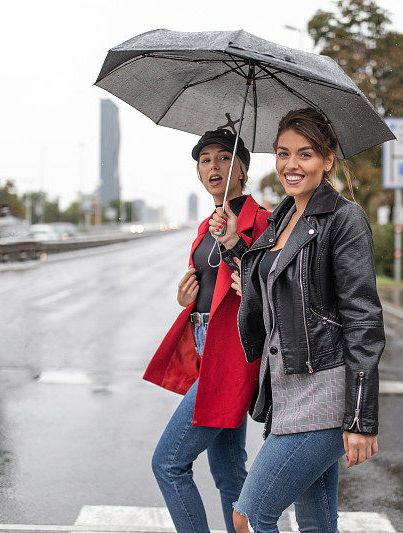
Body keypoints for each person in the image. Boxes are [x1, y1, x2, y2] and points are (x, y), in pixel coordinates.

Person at [211, 108, 385, 532]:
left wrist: (360, 420)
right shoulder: (282, 219)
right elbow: (265, 290)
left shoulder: (343, 219)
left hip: (325, 395)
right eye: (283, 153)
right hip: (285, 395)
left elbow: (363, 318)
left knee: (249, 515)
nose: (291, 164)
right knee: (316, 523)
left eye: (305, 154)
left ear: (327, 160)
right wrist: (234, 244)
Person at [143, 129, 270, 532]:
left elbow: (264, 283)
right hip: (205, 347)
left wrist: (238, 240)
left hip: (232, 355)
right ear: (198, 173)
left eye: (223, 159)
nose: (214, 167)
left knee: (168, 463)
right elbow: (208, 290)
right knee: (230, 476)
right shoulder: (204, 227)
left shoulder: (262, 222)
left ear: (243, 171)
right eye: (205, 160)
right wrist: (187, 300)